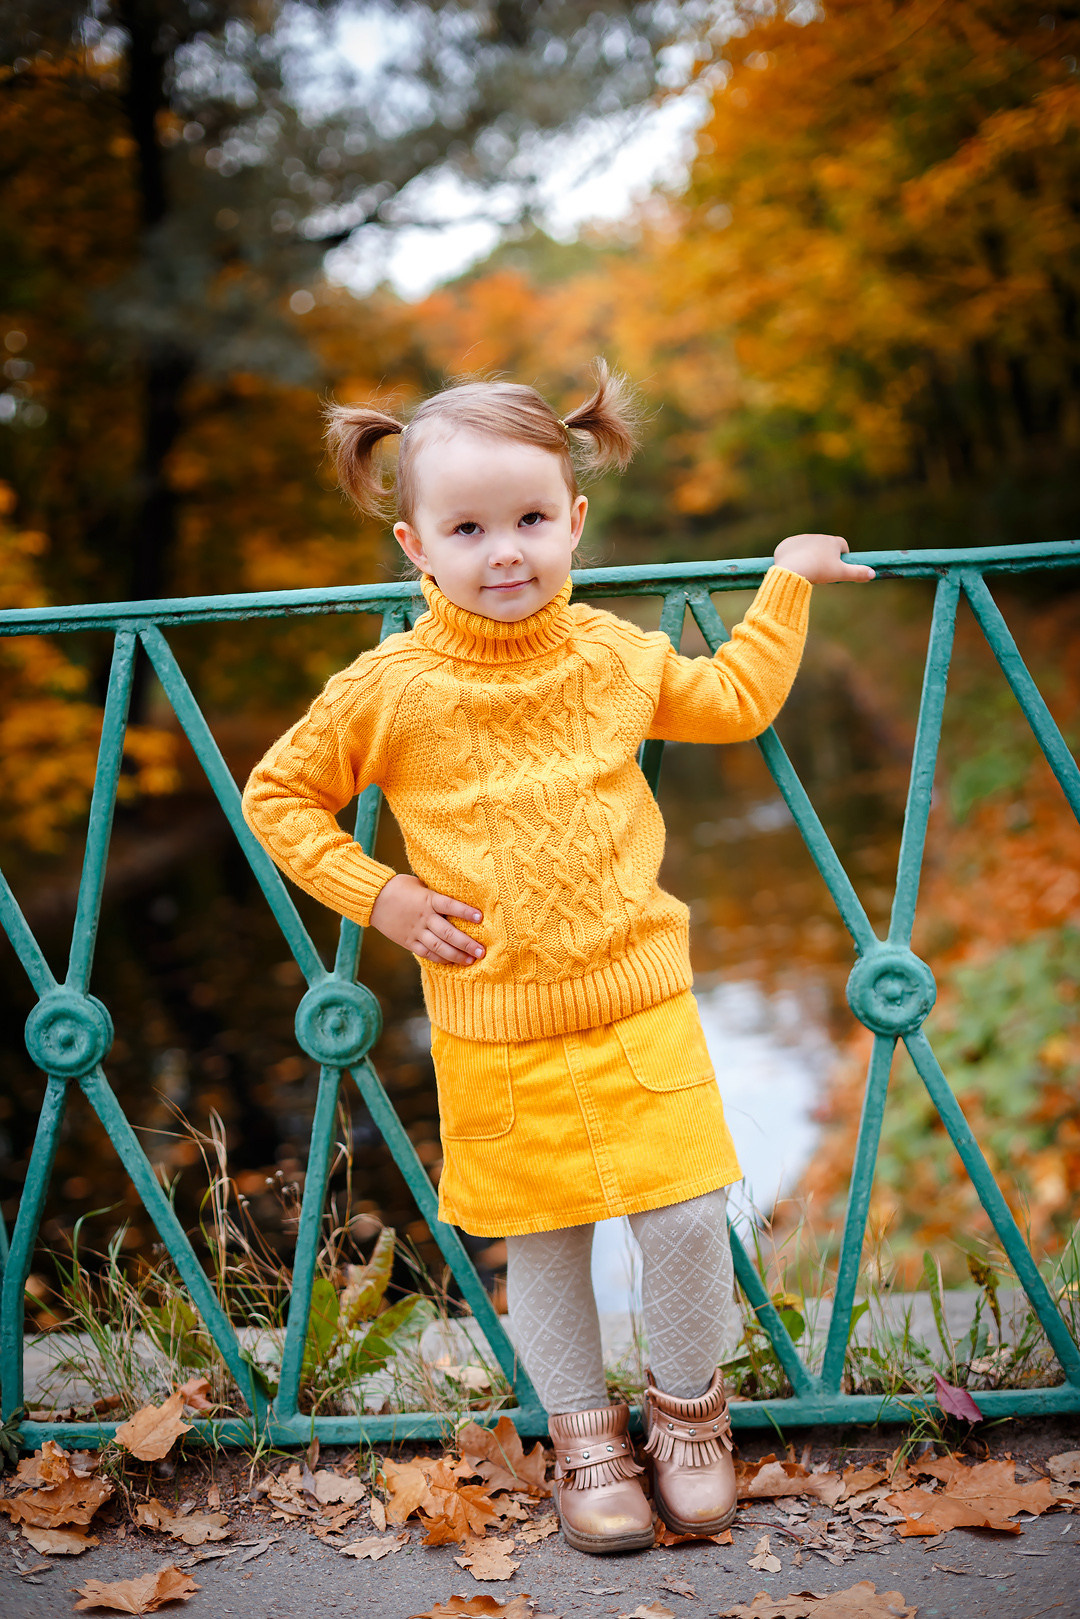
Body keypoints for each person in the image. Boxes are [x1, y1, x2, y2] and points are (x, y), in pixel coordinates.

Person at [241, 363, 874, 1555]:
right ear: (414, 545)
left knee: (686, 1215)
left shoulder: (615, 657)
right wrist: (379, 896)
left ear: (574, 519)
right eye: (468, 529)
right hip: (493, 1017)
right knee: (545, 1239)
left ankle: (690, 1414)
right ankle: (584, 1430)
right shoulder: (392, 688)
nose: (505, 552)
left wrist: (786, 580)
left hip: (639, 996)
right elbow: (278, 795)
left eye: (531, 519)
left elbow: (733, 697)